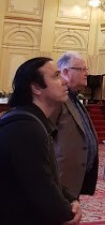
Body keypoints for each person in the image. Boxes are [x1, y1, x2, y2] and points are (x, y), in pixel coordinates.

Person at [0, 57, 81, 225]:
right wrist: (68, 212)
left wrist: (72, 199)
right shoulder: (25, 129)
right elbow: (42, 190)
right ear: (36, 87)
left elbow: (49, 177)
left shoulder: (30, 121)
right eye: (57, 76)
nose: (65, 80)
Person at [53, 52, 99, 200]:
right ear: (66, 72)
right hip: (60, 179)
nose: (87, 73)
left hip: (73, 181)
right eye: (83, 69)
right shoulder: (57, 98)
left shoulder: (73, 97)